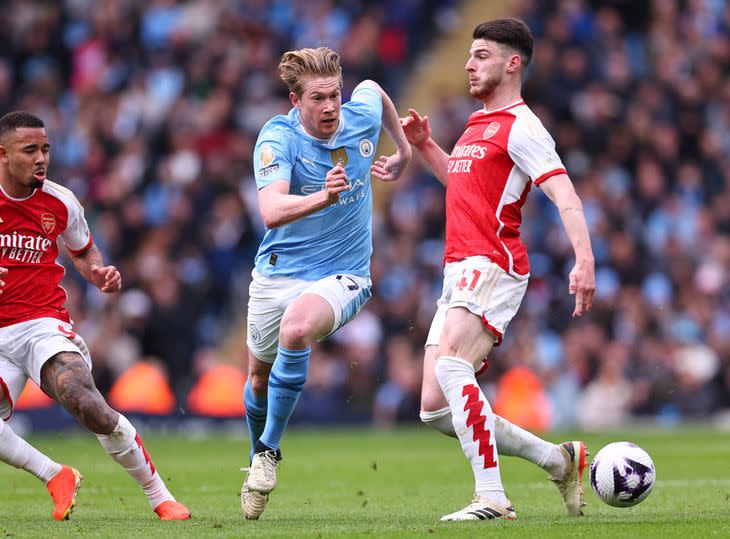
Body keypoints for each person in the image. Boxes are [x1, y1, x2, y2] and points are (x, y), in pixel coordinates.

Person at [0, 111, 190, 522]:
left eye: (45, 148)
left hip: (41, 325)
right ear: (3, 154)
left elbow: (83, 250)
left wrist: (97, 272)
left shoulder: (62, 200)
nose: (41, 158)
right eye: (30, 150)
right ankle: (54, 475)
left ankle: (160, 496)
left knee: (88, 404)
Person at [400, 18, 596, 521]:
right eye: (468, 54)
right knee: (434, 410)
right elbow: (462, 186)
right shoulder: (475, 123)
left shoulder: (523, 126)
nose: (468, 63)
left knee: (451, 366)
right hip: (459, 267)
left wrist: (585, 257)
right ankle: (559, 460)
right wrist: (425, 145)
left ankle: (492, 498)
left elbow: (564, 194)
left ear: (512, 64)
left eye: (481, 54)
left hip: (493, 262)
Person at [240, 47, 411, 520]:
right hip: (277, 272)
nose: (332, 106)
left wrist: (404, 151)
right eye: (319, 98)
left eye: (335, 94)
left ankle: (270, 453)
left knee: (297, 328)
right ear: (296, 100)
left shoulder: (359, 113)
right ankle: (256, 461)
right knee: (256, 377)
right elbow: (271, 211)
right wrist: (321, 196)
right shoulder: (277, 138)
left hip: (345, 273)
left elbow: (375, 90)